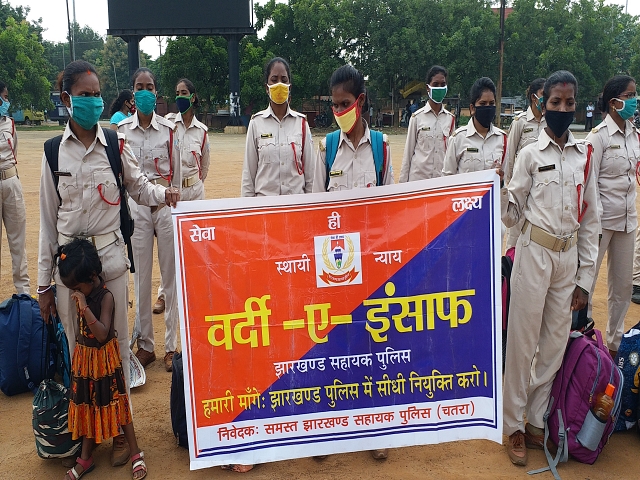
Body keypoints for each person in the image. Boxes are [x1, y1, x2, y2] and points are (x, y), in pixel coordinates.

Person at [37, 60, 179, 470]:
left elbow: (138, 185)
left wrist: (164, 194)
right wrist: (45, 286)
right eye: (83, 95)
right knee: (79, 351)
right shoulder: (52, 152)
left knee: (114, 350)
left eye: (96, 93)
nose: (93, 101)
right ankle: (87, 435)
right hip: (69, 272)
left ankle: (120, 432)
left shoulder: (116, 144)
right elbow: (48, 223)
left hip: (111, 265)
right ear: (66, 100)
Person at [499, 70, 599, 466]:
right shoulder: (529, 154)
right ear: (543, 104)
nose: (561, 109)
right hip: (533, 253)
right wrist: (494, 191)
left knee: (554, 344)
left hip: (568, 260)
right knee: (522, 344)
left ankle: (538, 420)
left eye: (568, 103)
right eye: (554, 103)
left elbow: (591, 219)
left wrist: (586, 281)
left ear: (576, 105)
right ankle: (513, 427)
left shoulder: (584, 156)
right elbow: (510, 214)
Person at [312, 64, 393, 460]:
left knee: (373, 343)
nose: (339, 111)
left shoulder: (381, 147)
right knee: (332, 345)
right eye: (334, 105)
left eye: (345, 103)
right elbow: (312, 208)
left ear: (359, 102)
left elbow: (392, 208)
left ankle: (374, 428)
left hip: (373, 263)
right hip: (334, 265)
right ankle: (329, 428)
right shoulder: (326, 148)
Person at [57, 239, 147, 480]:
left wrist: (85, 307)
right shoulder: (81, 294)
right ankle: (85, 459)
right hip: (86, 363)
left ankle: (136, 453)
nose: (74, 292)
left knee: (119, 405)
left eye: (77, 286)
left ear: (93, 276)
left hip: (105, 362)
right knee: (88, 408)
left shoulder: (105, 297)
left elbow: (102, 333)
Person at [118, 68, 181, 372]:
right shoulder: (121, 132)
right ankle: (146, 346)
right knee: (141, 277)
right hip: (137, 208)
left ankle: (171, 347)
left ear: (157, 93)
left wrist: (173, 199)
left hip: (165, 207)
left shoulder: (169, 130)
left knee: (170, 278)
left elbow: (177, 174)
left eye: (150, 86)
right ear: (133, 93)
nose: (145, 91)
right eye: (139, 86)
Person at [587, 75, 639, 357]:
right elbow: (590, 184)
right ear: (614, 102)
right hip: (602, 223)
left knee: (622, 287)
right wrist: (592, 226)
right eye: (629, 95)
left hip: (628, 221)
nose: (634, 101)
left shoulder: (634, 134)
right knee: (588, 282)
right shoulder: (599, 137)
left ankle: (615, 347)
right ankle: (588, 345)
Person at [153, 78, 211, 331]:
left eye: (184, 92)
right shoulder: (169, 125)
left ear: (194, 97)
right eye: (177, 93)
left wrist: (193, 184)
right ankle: (164, 293)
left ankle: (193, 294)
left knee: (194, 245)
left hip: (195, 191)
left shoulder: (202, 131)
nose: (180, 97)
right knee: (169, 246)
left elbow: (205, 166)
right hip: (173, 194)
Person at [241, 57, 313, 197]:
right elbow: (248, 176)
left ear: (289, 87)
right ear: (266, 88)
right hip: (265, 209)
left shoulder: (302, 124)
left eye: (284, 80)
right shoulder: (256, 124)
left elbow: (311, 176)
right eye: (274, 80)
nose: (279, 84)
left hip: (295, 207)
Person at [503, 78, 547, 249]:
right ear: (533, 97)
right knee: (514, 232)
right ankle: (510, 270)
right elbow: (510, 155)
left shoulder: (549, 121)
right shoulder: (520, 122)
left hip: (541, 187)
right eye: (543, 95)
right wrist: (510, 185)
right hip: (520, 187)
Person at [442, 77, 508, 176]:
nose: (488, 107)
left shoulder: (502, 139)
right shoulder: (458, 139)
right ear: (472, 108)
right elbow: (447, 178)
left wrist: (500, 179)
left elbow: (505, 179)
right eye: (483, 103)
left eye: (491, 103)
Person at [399, 65, 455, 182]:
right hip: (418, 181)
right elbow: (408, 154)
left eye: (443, 85)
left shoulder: (450, 119)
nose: (439, 88)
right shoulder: (417, 118)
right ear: (428, 88)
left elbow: (452, 155)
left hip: (441, 182)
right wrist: (403, 186)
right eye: (435, 84)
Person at [0, 80, 29, 294]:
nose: (7, 101)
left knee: (18, 241)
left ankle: (23, 292)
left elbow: (14, 152)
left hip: (11, 181)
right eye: (5, 97)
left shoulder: (9, 124)